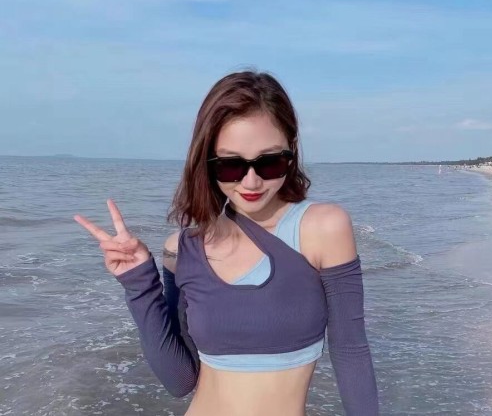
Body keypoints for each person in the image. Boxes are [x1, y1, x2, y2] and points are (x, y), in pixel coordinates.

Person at [74, 71, 379, 416]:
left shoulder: (322, 227)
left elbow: (351, 351)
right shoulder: (183, 248)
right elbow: (179, 380)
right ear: (207, 161)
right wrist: (138, 283)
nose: (251, 181)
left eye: (269, 162)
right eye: (231, 165)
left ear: (291, 151)